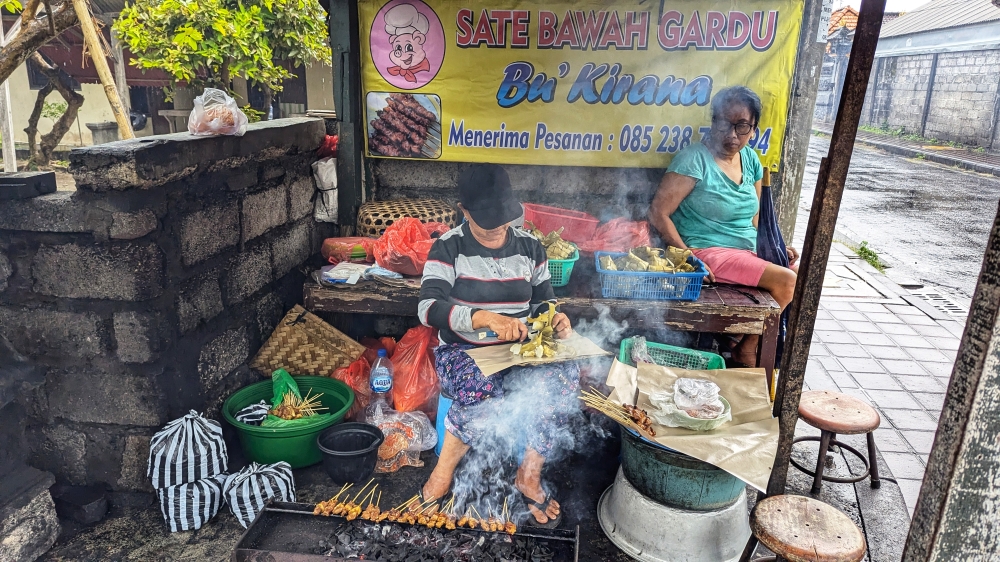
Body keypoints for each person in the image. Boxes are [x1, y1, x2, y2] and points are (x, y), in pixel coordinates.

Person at [417, 163, 578, 528]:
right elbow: (428, 308)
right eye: (487, 221)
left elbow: (544, 301)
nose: (497, 229)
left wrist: (555, 318)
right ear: (465, 210)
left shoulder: (530, 247)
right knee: (482, 388)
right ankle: (443, 474)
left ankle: (529, 475)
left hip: (520, 351)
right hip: (463, 352)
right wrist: (484, 319)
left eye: (503, 219)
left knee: (564, 378)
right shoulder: (448, 248)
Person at [648, 86, 798, 367]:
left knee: (796, 270)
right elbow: (658, 212)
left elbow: (757, 217)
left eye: (741, 126)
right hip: (708, 251)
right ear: (713, 121)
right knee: (787, 280)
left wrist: (776, 247)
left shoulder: (751, 159)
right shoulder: (694, 158)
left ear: (753, 128)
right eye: (723, 124)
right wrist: (689, 260)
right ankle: (748, 348)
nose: (731, 135)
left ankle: (740, 339)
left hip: (746, 250)